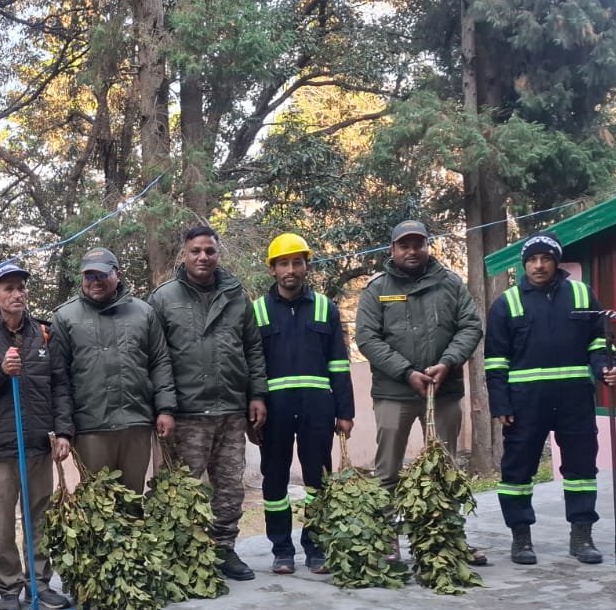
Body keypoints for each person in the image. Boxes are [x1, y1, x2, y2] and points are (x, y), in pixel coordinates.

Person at [485, 234, 616, 565]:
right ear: (524, 264)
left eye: (545, 258)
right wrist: (501, 404)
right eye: (532, 260)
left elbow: (599, 341)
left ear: (556, 262)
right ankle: (521, 537)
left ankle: (582, 535)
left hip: (575, 398)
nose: (539, 265)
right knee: (517, 471)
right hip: (524, 403)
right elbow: (495, 361)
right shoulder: (507, 303)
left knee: (582, 468)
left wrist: (605, 367)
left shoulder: (582, 294)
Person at [355, 220, 485, 560]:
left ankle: (447, 539)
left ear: (428, 246)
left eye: (418, 244)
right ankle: (387, 539)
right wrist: (406, 372)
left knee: (445, 469)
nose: (412, 251)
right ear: (392, 249)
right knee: (387, 470)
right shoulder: (377, 289)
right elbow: (367, 337)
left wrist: (448, 362)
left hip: (444, 392)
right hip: (393, 393)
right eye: (404, 245)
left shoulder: (451, 284)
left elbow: (471, 326)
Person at [149, 226, 267, 581]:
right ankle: (183, 556)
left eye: (210, 251)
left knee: (229, 488)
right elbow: (156, 357)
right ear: (184, 255)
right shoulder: (164, 298)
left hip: (230, 410)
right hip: (186, 413)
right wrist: (164, 407)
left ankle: (224, 550)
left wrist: (257, 395)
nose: (203, 257)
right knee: (183, 489)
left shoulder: (236, 295)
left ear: (218, 254)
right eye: (196, 251)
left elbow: (253, 349)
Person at [0, 259, 75, 610]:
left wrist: (63, 432)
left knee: (39, 519)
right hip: (0, 448)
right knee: (1, 524)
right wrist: (0, 371)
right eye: (8, 288)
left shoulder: (44, 333)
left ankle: (39, 585)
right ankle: (9, 587)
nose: (17, 294)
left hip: (38, 443)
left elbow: (60, 386)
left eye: (21, 287)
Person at [252, 234, 354, 575]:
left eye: (297, 262)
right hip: (274, 411)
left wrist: (345, 412)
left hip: (318, 409)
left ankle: (317, 548)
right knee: (274, 481)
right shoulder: (257, 312)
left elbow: (338, 363)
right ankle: (282, 551)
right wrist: (251, 410)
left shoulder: (326, 308)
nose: (291, 270)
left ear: (307, 266)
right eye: (283, 263)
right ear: (272, 269)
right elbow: (251, 366)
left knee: (318, 480)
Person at [49, 246, 176, 493]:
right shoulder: (64, 317)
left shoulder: (144, 313)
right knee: (98, 503)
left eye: (102, 275)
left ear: (117, 274)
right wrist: (64, 429)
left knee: (132, 500)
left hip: (136, 424)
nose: (95, 281)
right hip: (91, 427)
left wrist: (165, 409)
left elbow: (160, 362)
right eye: (89, 276)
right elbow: (59, 379)